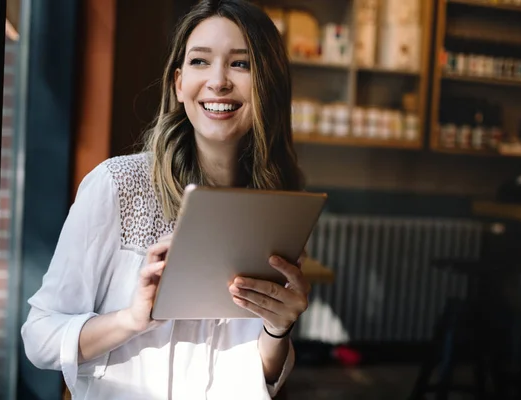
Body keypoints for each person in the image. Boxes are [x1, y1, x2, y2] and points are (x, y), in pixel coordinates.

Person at [20, 0, 310, 398]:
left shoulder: (277, 210)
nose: (218, 81)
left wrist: (279, 328)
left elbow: (255, 377)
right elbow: (39, 338)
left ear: (269, 84)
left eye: (240, 64)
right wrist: (132, 319)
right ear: (178, 83)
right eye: (200, 61)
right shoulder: (117, 185)